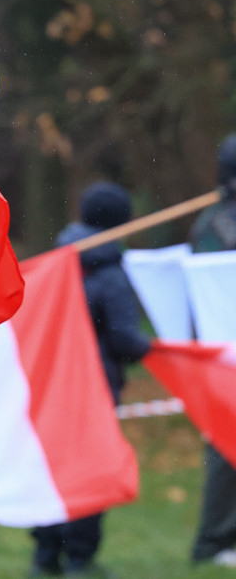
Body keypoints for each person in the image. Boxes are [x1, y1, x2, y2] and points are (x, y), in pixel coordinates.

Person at [29, 181, 151, 577]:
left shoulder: (57, 259)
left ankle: (45, 552)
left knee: (55, 466)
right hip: (95, 386)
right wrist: (155, 348)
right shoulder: (111, 272)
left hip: (52, 382)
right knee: (90, 467)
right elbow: (125, 340)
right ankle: (79, 556)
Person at [189, 133, 236, 569]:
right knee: (227, 446)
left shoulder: (210, 219)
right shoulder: (218, 224)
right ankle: (215, 540)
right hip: (224, 355)